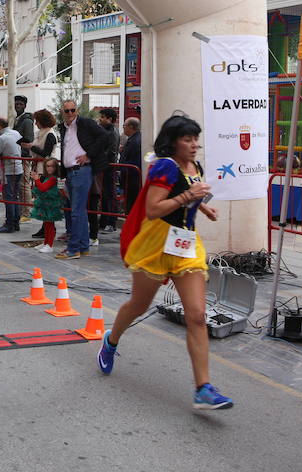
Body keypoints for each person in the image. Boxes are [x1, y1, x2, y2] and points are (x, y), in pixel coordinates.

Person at [102, 114, 232, 410]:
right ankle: (111, 340)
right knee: (138, 305)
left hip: (186, 245)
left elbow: (187, 199)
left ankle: (203, 388)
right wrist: (189, 195)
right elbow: (153, 209)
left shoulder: (195, 166)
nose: (194, 145)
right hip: (157, 244)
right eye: (187, 140)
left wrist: (202, 208)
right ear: (173, 142)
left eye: (196, 139)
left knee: (197, 315)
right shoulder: (164, 166)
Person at [56, 100, 109, 260]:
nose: (70, 113)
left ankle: (73, 249)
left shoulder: (85, 123)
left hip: (81, 171)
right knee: (79, 211)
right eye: (67, 111)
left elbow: (104, 136)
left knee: (77, 212)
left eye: (73, 110)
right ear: (62, 112)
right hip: (72, 172)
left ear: (77, 110)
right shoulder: (64, 127)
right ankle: (83, 246)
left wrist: (89, 154)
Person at [23, 108, 60, 239]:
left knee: (46, 202)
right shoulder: (41, 133)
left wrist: (30, 147)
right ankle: (45, 228)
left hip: (47, 170)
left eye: (37, 121)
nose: (35, 123)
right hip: (40, 169)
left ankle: (49, 229)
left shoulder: (50, 134)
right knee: (43, 202)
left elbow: (46, 153)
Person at [0, 118, 22, 233]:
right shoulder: (16, 133)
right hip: (19, 168)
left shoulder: (2, 138)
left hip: (8, 170)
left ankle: (10, 224)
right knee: (15, 197)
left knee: (8, 197)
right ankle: (16, 222)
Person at [96, 107, 120, 233]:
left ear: (109, 119)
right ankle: (104, 221)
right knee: (105, 195)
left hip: (109, 168)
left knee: (109, 195)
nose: (100, 119)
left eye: (103, 117)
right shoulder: (106, 131)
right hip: (105, 167)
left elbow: (111, 152)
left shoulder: (112, 133)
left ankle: (110, 222)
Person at [30, 157, 62, 253]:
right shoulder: (48, 177)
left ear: (56, 167)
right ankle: (46, 243)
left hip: (51, 204)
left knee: (50, 224)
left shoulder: (53, 179)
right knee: (47, 224)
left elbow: (43, 188)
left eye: (52, 166)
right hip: (47, 203)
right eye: (47, 166)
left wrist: (36, 179)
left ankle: (49, 245)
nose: (49, 168)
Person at [13, 95, 35, 220]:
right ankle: (22, 210)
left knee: (24, 184)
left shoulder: (26, 121)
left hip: (24, 157)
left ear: (25, 106)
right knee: (20, 185)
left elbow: (29, 139)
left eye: (20, 104)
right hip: (18, 155)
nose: (18, 106)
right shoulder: (18, 119)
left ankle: (26, 212)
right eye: (16, 104)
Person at [119, 117, 142, 214]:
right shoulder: (133, 140)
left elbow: (134, 161)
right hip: (130, 179)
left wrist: (122, 167)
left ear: (131, 127)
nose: (123, 128)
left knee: (131, 207)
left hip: (132, 180)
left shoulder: (135, 141)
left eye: (124, 126)